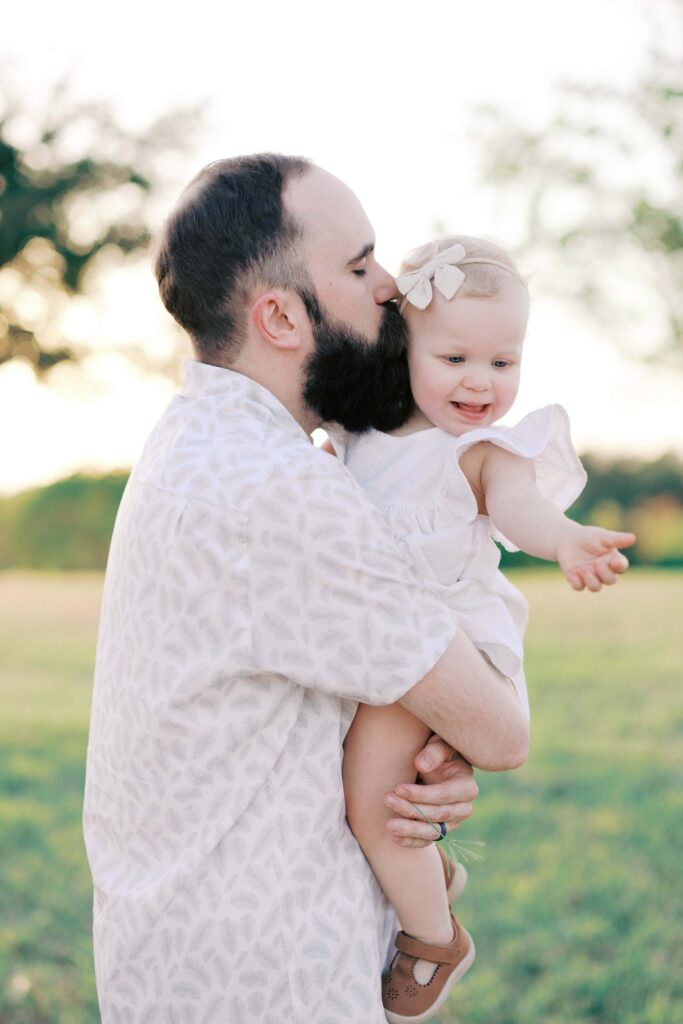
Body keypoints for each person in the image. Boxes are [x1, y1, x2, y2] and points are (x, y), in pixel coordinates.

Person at [82, 157, 530, 1024]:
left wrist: (424, 763)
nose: (394, 287)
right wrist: (459, 736)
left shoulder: (198, 442)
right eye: (360, 267)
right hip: (266, 979)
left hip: (182, 958)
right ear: (281, 316)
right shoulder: (281, 492)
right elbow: (502, 729)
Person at [327, 234, 636, 1022]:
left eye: (503, 363)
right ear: (405, 350)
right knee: (376, 790)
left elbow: (520, 508)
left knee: (373, 800)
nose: (480, 383)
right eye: (456, 358)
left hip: (442, 638)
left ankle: (433, 938)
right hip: (391, 636)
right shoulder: (364, 437)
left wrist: (564, 539)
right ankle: (429, 873)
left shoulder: (483, 450)